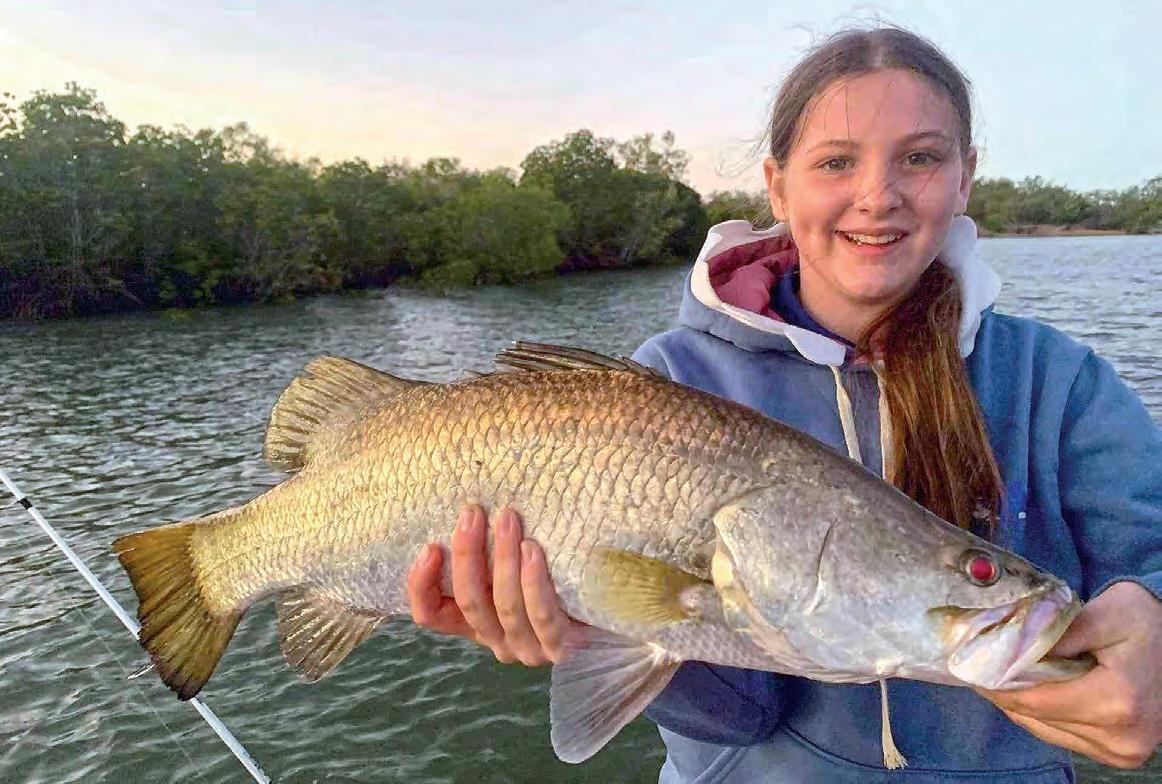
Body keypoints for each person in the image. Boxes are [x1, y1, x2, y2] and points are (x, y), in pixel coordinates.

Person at [406, 26, 1162, 782]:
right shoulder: (669, 381)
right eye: (836, 162)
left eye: (921, 158)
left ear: (965, 177)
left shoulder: (1059, 382)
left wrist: (1154, 624)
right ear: (777, 186)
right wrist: (582, 629)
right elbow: (738, 718)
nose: (878, 196)